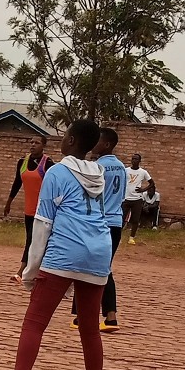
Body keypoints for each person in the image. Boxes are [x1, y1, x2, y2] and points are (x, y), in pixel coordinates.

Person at [0, 119, 110, 370]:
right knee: (90, 330)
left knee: (34, 323)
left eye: (64, 135)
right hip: (99, 252)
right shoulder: (99, 174)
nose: (61, 140)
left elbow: (42, 224)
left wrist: (29, 272)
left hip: (65, 251)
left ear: (72, 141)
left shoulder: (57, 172)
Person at [70, 128, 126, 333]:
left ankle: (88, 315)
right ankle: (103, 317)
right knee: (103, 267)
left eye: (98, 141)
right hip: (116, 222)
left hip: (99, 222)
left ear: (107, 144)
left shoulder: (97, 167)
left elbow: (88, 195)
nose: (94, 144)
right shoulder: (122, 167)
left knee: (86, 265)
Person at [3, 135, 54, 282]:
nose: (33, 145)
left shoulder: (48, 164)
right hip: (29, 209)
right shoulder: (22, 162)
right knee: (30, 238)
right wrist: (8, 203)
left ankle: (22, 271)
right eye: (31, 142)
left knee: (34, 239)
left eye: (37, 142)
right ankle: (36, 270)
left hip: (43, 210)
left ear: (43, 146)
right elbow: (17, 183)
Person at [123, 153, 154, 244]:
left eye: (136, 159)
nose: (134, 160)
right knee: (121, 218)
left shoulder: (143, 172)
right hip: (126, 198)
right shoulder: (126, 170)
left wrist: (143, 189)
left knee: (135, 220)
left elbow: (152, 183)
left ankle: (131, 237)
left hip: (137, 199)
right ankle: (118, 236)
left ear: (139, 161)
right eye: (133, 158)